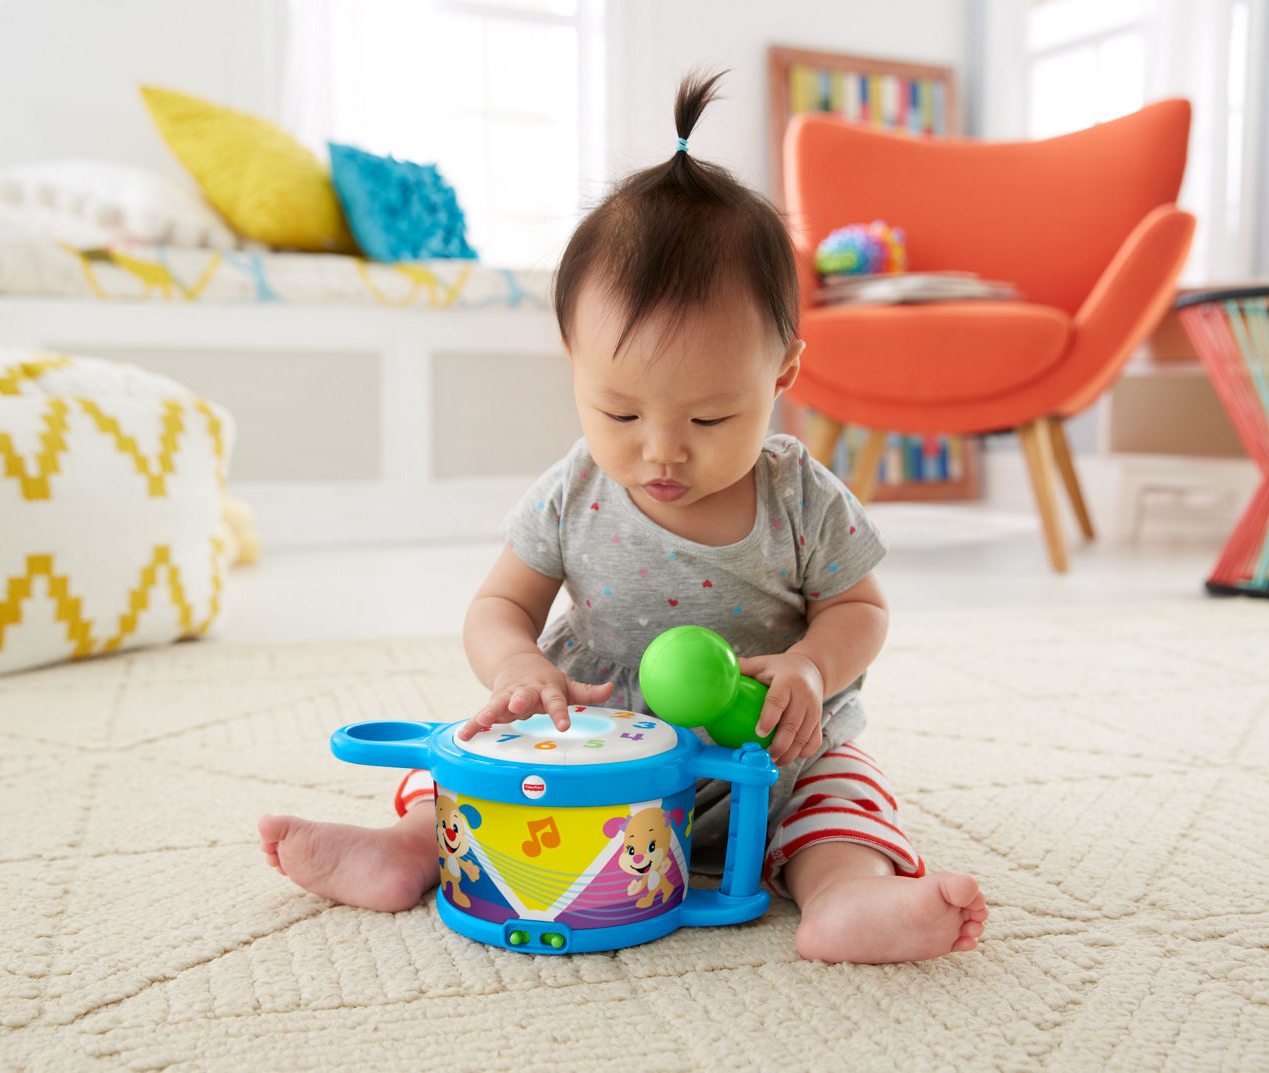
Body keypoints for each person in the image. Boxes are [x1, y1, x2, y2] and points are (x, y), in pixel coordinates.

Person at [259, 72, 987, 964]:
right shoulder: (572, 492)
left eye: (710, 419)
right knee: (462, 765)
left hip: (768, 752)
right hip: (590, 755)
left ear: (785, 373)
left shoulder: (801, 496)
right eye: (620, 414)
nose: (661, 452)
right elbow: (499, 607)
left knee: (843, 801)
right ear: (573, 362)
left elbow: (862, 610)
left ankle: (845, 896)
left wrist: (808, 665)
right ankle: (405, 851)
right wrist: (520, 669)